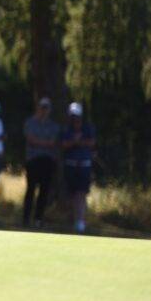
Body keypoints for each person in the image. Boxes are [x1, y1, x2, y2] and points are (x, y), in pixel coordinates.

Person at [22, 96, 59, 227]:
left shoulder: (53, 126)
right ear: (38, 108)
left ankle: (38, 219)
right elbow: (31, 140)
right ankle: (26, 218)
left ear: (49, 110)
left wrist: (39, 142)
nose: (44, 110)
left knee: (44, 191)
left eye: (46, 108)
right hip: (33, 160)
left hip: (47, 161)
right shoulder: (30, 122)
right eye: (42, 107)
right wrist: (45, 143)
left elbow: (53, 143)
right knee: (30, 189)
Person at [61, 101, 96, 233]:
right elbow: (64, 144)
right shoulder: (66, 129)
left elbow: (91, 143)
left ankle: (80, 222)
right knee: (71, 193)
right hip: (70, 165)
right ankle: (74, 220)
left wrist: (77, 142)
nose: (74, 118)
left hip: (84, 165)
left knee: (81, 193)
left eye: (76, 115)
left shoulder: (88, 127)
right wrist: (76, 142)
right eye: (72, 115)